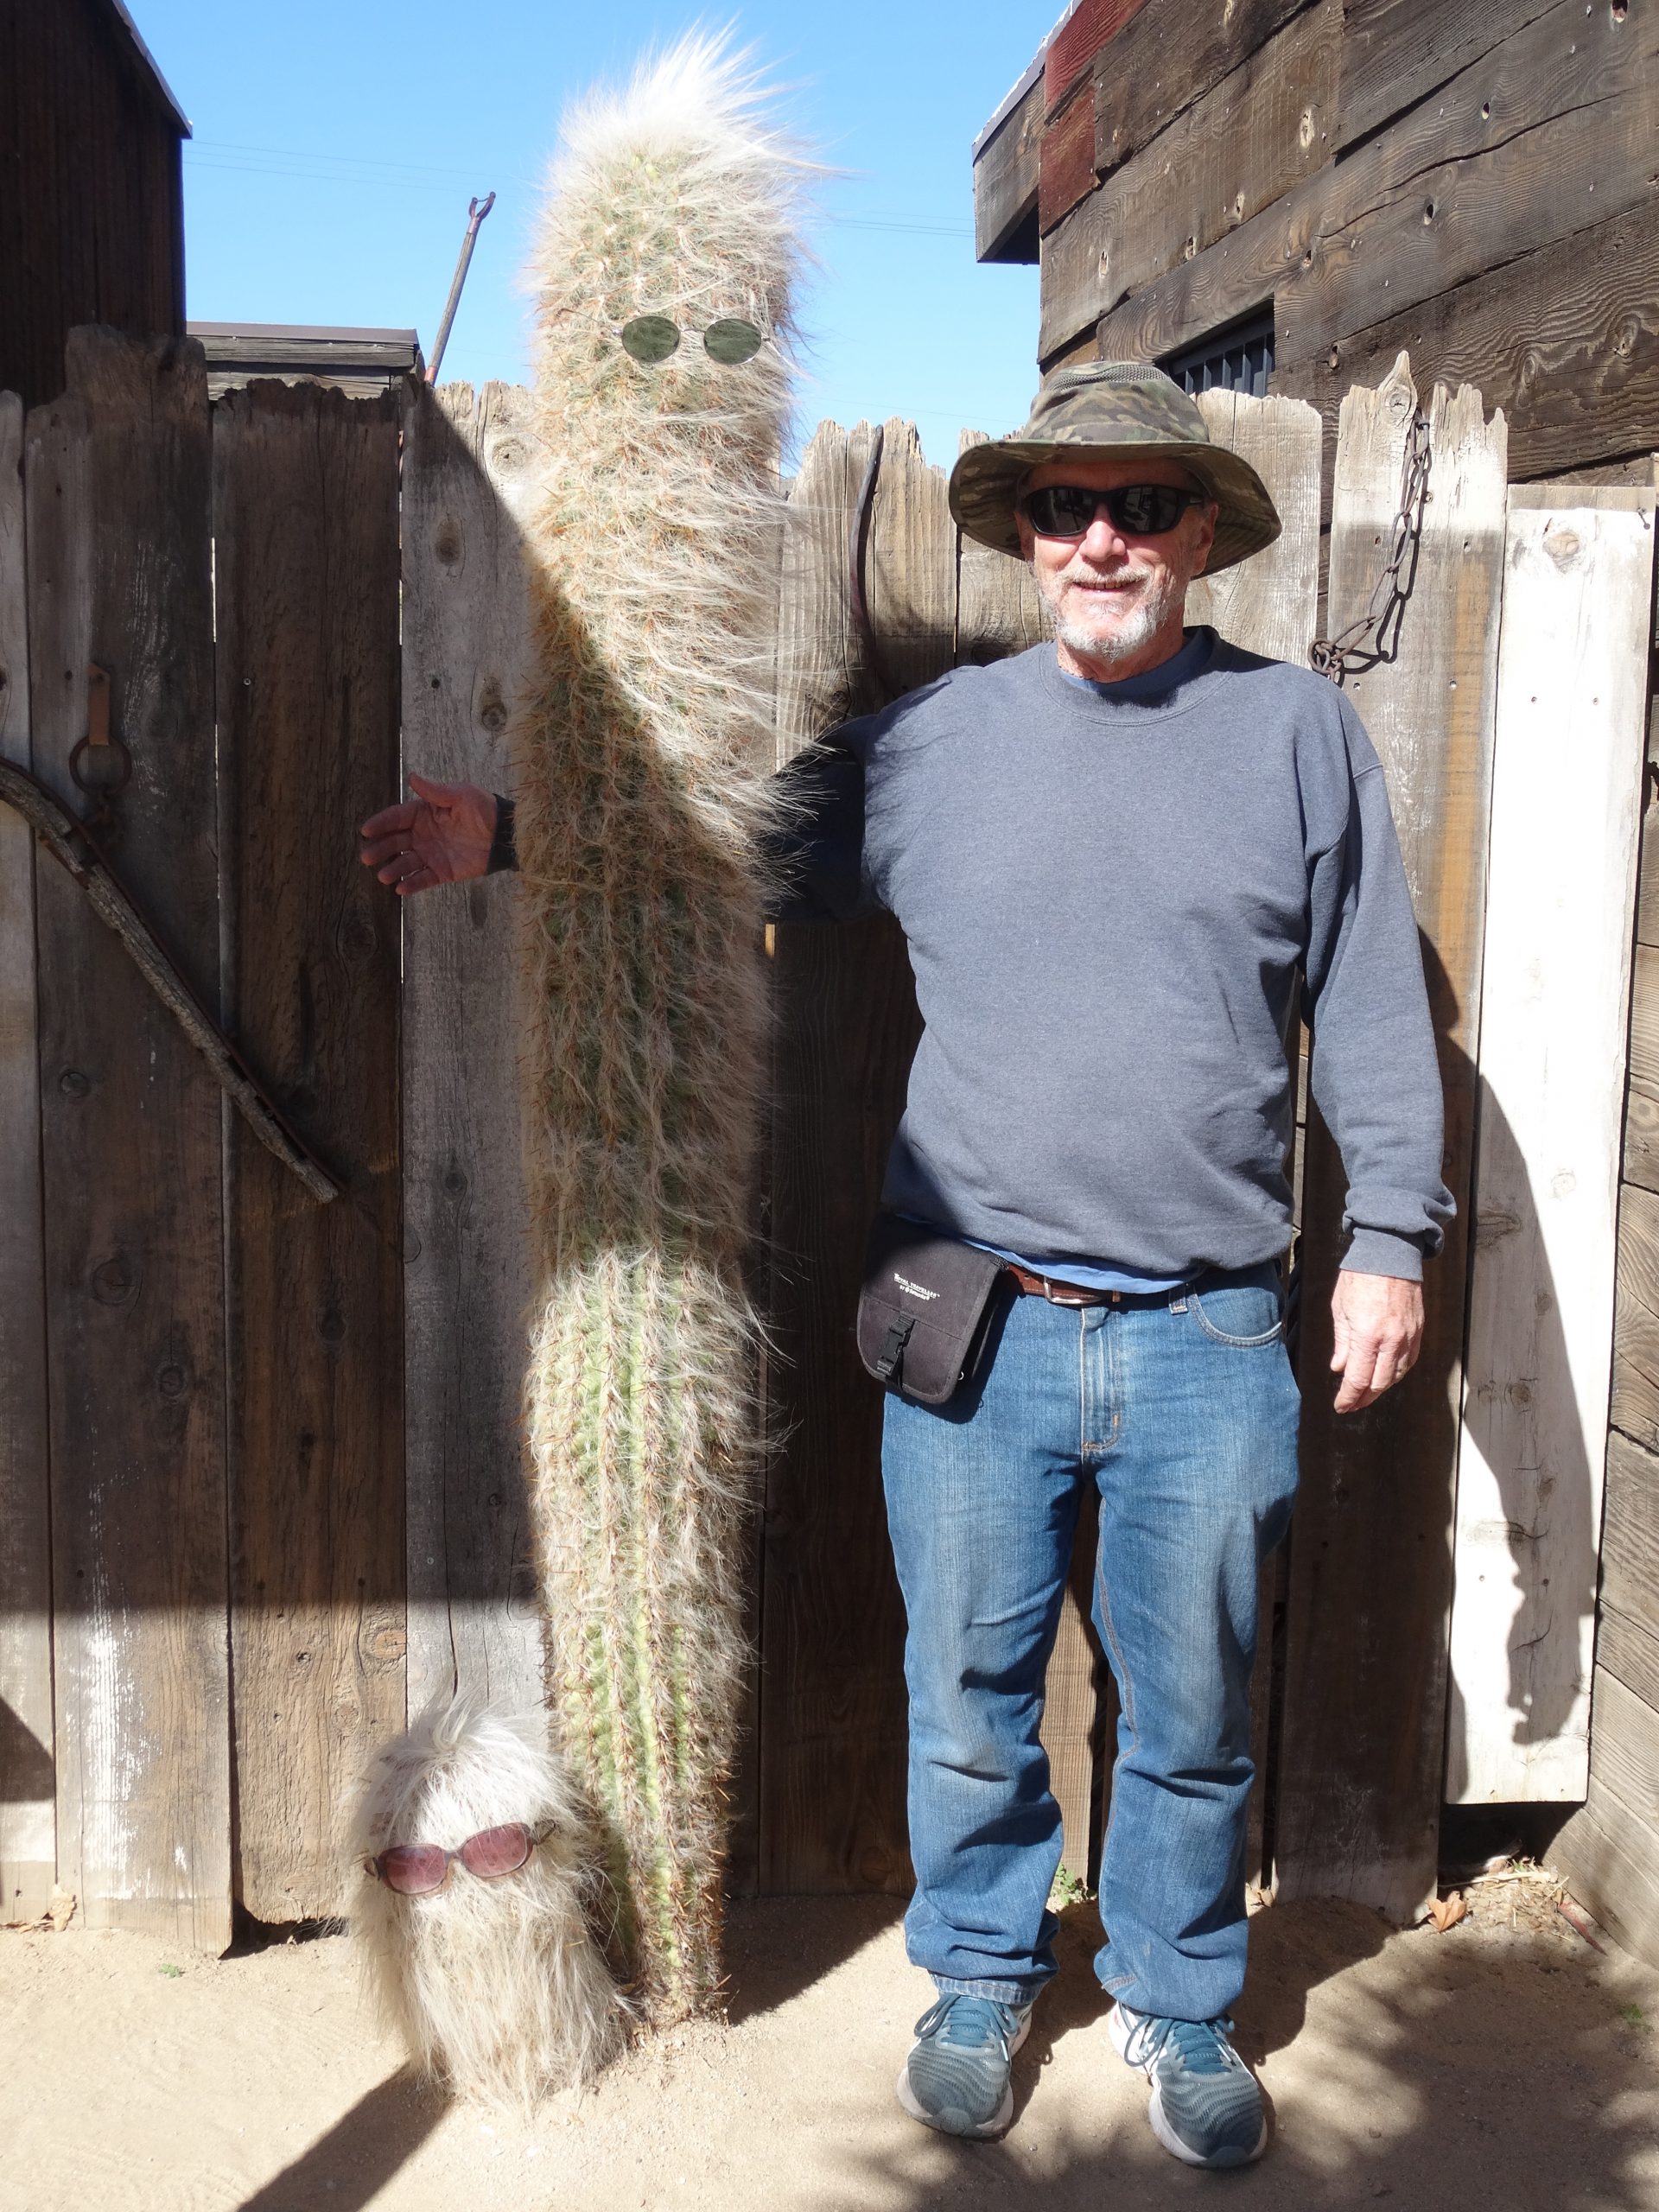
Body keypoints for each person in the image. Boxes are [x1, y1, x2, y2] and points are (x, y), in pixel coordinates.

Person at [359, 361, 1450, 2171]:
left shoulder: (1296, 738)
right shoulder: (935, 745)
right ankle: (981, 1976)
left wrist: (1389, 1238)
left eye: (1140, 506)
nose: (1100, 540)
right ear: (1026, 536)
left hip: (1207, 1330)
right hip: (978, 1322)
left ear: (1198, 532)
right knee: (968, 1694)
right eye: (1064, 508)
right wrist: (514, 834)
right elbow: (726, 844)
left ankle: (1179, 1997)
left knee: (1193, 1708)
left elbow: (1373, 1004)